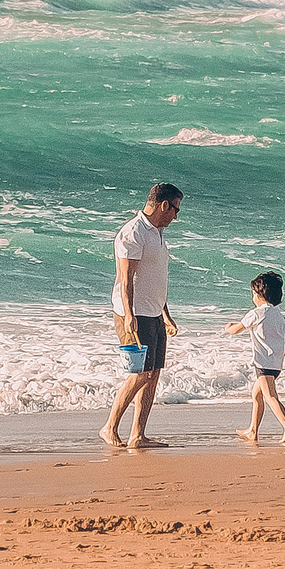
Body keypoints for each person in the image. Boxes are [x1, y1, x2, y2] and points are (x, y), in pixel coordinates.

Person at [100, 183, 182, 448]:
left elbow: (156, 279)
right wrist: (128, 314)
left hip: (154, 313)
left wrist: (166, 315)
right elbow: (126, 279)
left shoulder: (157, 233)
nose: (176, 216)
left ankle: (138, 435)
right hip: (135, 313)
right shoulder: (133, 232)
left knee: (154, 373)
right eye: (175, 209)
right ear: (163, 205)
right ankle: (109, 427)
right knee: (140, 374)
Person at [225, 271, 285, 443]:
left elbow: (237, 329)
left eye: (253, 294)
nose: (253, 297)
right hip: (276, 363)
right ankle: (252, 431)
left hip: (263, 363)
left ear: (259, 295)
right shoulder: (281, 317)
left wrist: (228, 327)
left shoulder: (257, 313)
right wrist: (278, 357)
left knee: (270, 396)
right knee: (256, 395)